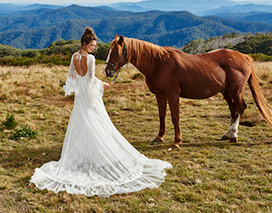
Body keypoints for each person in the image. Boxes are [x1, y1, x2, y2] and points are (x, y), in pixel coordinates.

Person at [30, 27, 172, 198]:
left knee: (82, 124)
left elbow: (71, 77)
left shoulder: (74, 57)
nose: (93, 48)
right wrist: (103, 85)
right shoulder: (90, 59)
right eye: (92, 45)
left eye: (94, 46)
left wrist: (80, 86)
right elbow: (90, 80)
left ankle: (87, 153)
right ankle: (98, 154)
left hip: (80, 98)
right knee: (99, 124)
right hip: (90, 98)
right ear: (85, 43)